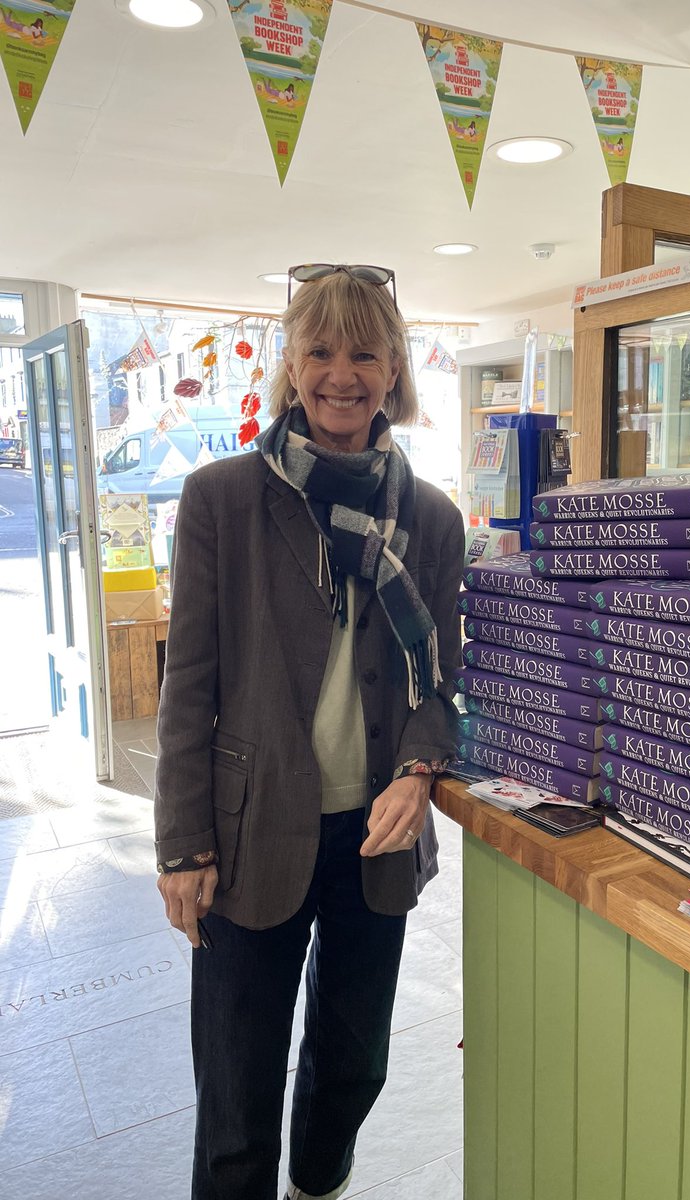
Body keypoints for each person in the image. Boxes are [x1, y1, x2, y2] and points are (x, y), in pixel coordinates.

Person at [154, 263, 465, 1200]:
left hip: (377, 833)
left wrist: (420, 767)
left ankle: (319, 1186)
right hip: (251, 832)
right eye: (321, 350)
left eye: (365, 352)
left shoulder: (432, 516)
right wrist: (181, 845)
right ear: (291, 365)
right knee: (239, 1090)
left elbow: (442, 681)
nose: (343, 373)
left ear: (395, 368)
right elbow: (189, 686)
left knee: (352, 1062)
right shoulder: (223, 500)